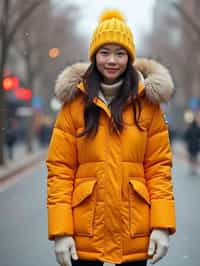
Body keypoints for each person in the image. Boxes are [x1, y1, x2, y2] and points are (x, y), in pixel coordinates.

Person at [46, 9, 176, 266]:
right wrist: (61, 231)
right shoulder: (74, 104)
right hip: (85, 233)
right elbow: (60, 169)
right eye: (105, 52)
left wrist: (162, 226)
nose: (112, 60)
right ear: (94, 56)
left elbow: (159, 169)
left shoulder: (148, 105)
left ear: (130, 57)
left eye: (120, 53)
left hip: (134, 232)